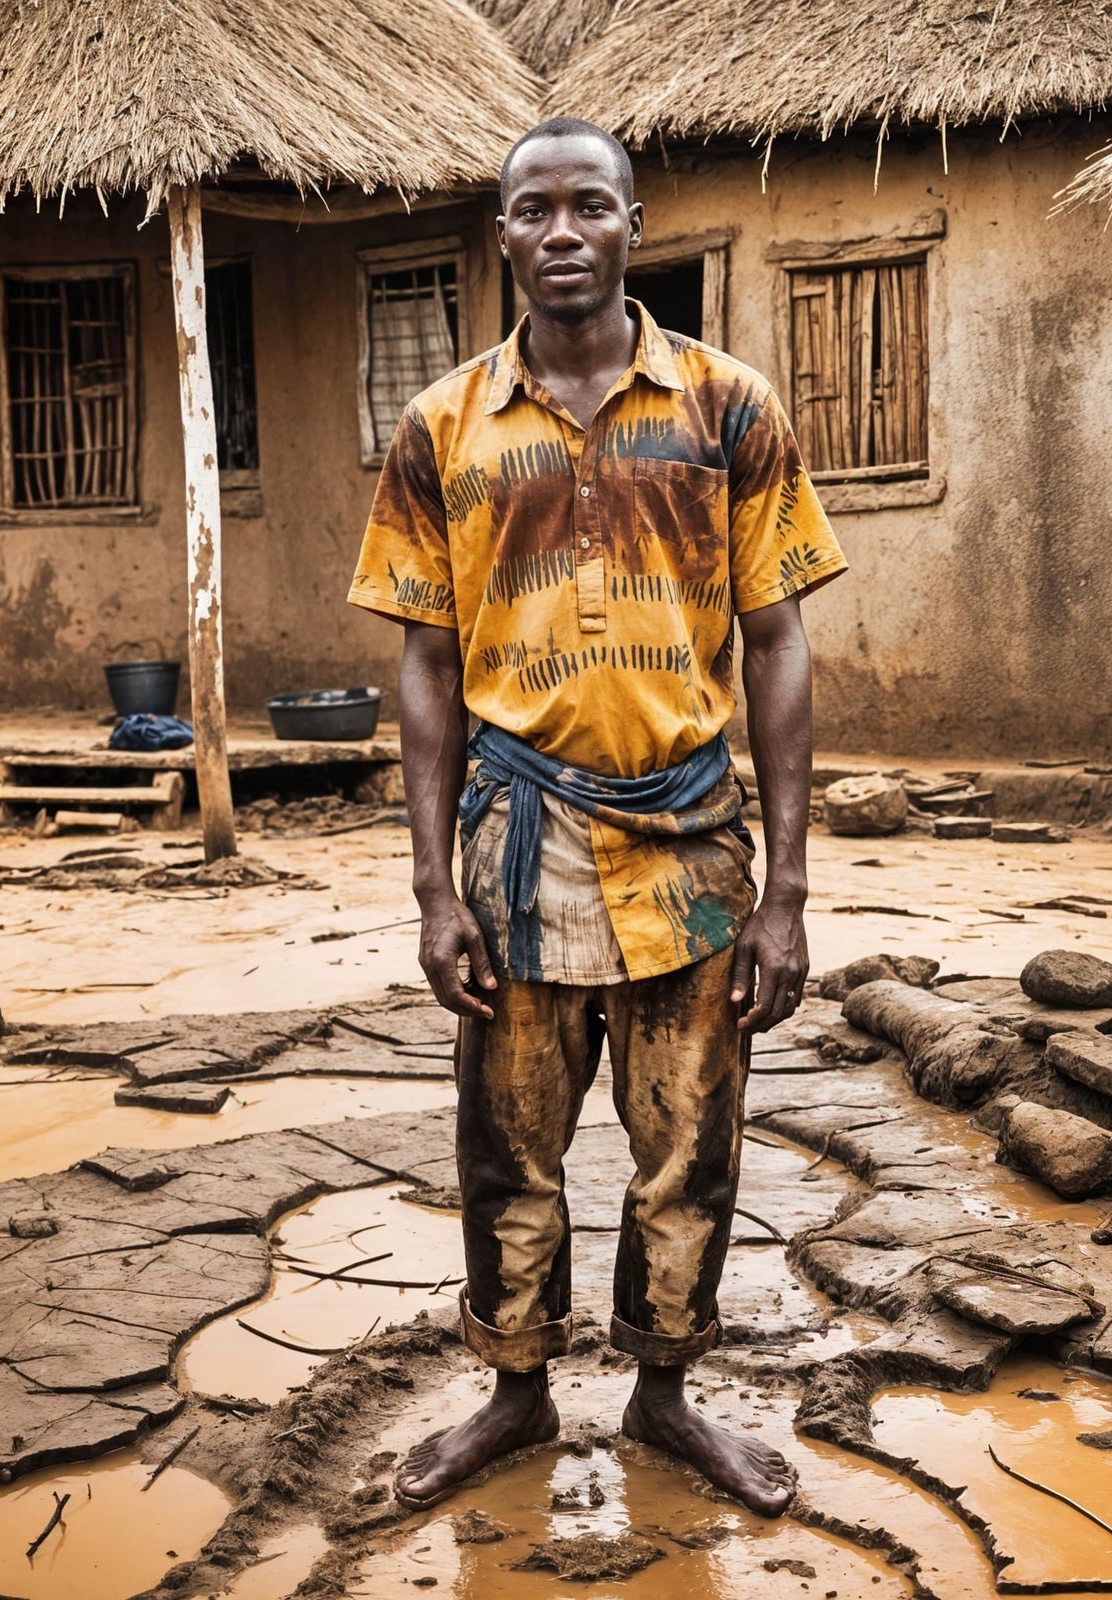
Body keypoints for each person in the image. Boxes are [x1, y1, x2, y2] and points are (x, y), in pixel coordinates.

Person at [348, 115, 846, 1517]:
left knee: (691, 1140)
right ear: (499, 235)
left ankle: (666, 1392)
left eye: (591, 207)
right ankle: (513, 1392)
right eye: (533, 211)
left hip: (690, 840)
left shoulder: (728, 409)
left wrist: (789, 892)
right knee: (509, 1140)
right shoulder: (441, 427)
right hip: (516, 843)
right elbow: (428, 664)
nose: (562, 232)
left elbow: (778, 643)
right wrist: (435, 890)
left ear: (635, 226)